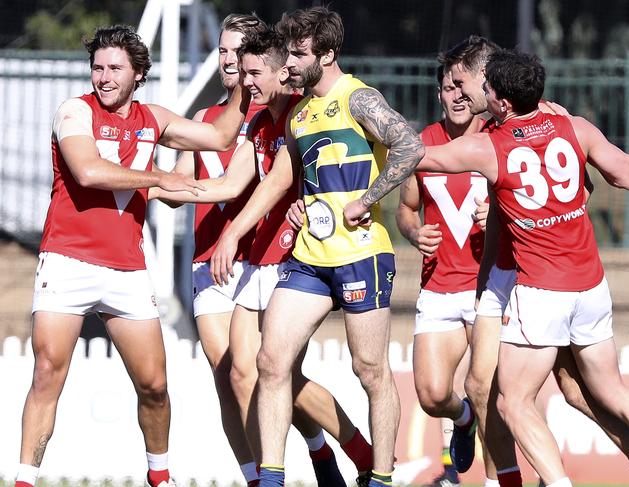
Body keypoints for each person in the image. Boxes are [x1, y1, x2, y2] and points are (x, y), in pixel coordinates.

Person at [15, 25, 250, 487]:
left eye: (114, 68)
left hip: (126, 269)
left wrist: (243, 78)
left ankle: (159, 478)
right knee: (47, 374)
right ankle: (23, 480)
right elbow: (87, 171)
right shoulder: (73, 112)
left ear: (138, 73)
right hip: (68, 261)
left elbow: (221, 136)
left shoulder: (153, 118)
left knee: (155, 387)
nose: (103, 77)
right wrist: (160, 177)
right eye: (97, 67)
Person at [202, 6, 424, 487]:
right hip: (310, 258)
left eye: (299, 55)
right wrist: (263, 219)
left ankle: (381, 476)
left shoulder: (358, 99)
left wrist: (368, 198)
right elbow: (284, 178)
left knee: (370, 369)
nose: (290, 65)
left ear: (327, 54)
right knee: (269, 361)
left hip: (362, 253)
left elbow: (410, 146)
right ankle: (273, 478)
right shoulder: (299, 115)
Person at [153, 24, 374, 486]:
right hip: (254, 258)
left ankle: (359, 454)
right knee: (240, 374)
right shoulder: (254, 123)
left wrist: (321, 204)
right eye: (230, 57)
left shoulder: (303, 114)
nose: (243, 74)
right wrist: (156, 184)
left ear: (280, 71)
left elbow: (345, 161)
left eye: (254, 69)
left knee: (279, 374)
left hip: (295, 260)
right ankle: (273, 474)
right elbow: (232, 185)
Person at [418, 48, 629, 487]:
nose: (463, 93)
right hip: (586, 281)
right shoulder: (571, 125)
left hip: (534, 282)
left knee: (531, 399)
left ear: (499, 95)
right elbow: (628, 177)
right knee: (490, 389)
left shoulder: (493, 142)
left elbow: (424, 157)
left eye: (472, 84)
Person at [159, 13, 266, 487]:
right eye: (221, 50)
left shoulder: (272, 118)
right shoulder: (204, 121)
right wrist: (142, 182)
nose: (227, 59)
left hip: (259, 260)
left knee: (256, 375)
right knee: (227, 379)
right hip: (208, 263)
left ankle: (306, 455)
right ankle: (257, 477)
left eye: (236, 51)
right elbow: (186, 180)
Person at [395, 65, 487, 487]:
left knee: (499, 394)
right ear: (438, 95)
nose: (456, 96)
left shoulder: (497, 138)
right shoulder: (422, 145)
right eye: (448, 88)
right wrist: (415, 232)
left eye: (462, 87)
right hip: (439, 286)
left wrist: (500, 215)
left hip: (492, 289)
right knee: (433, 396)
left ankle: (513, 477)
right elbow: (405, 209)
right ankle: (462, 419)